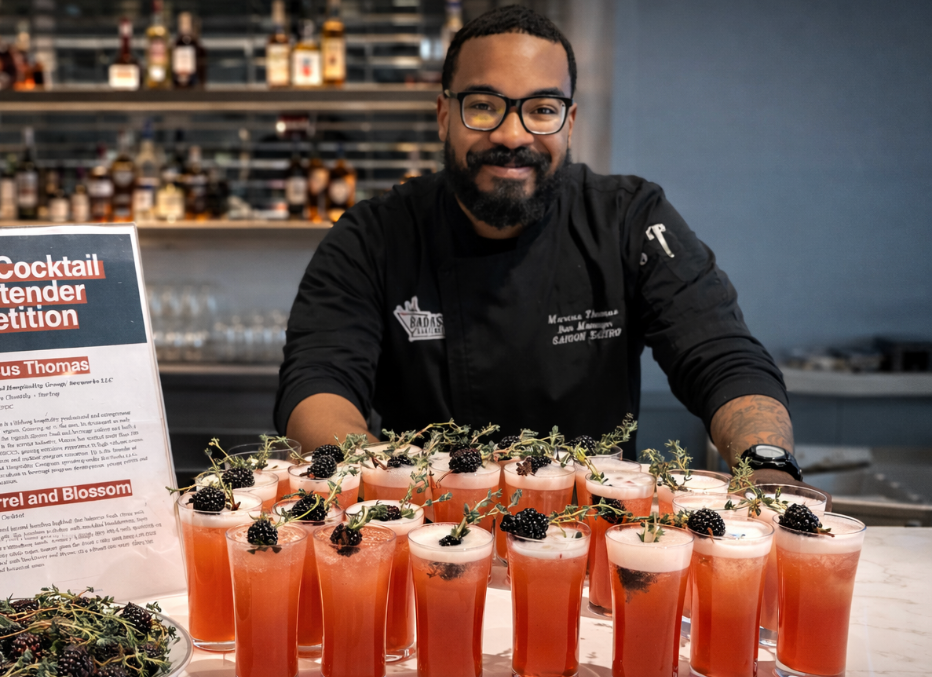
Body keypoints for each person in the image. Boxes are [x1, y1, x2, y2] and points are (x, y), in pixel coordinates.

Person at [275, 6, 811, 491]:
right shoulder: (372, 236)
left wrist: (766, 466)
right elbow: (318, 386)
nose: (512, 134)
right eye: (483, 106)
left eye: (542, 108)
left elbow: (721, 355)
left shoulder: (629, 219)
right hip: (425, 537)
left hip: (594, 539)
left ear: (569, 123)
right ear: (443, 115)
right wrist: (390, 489)